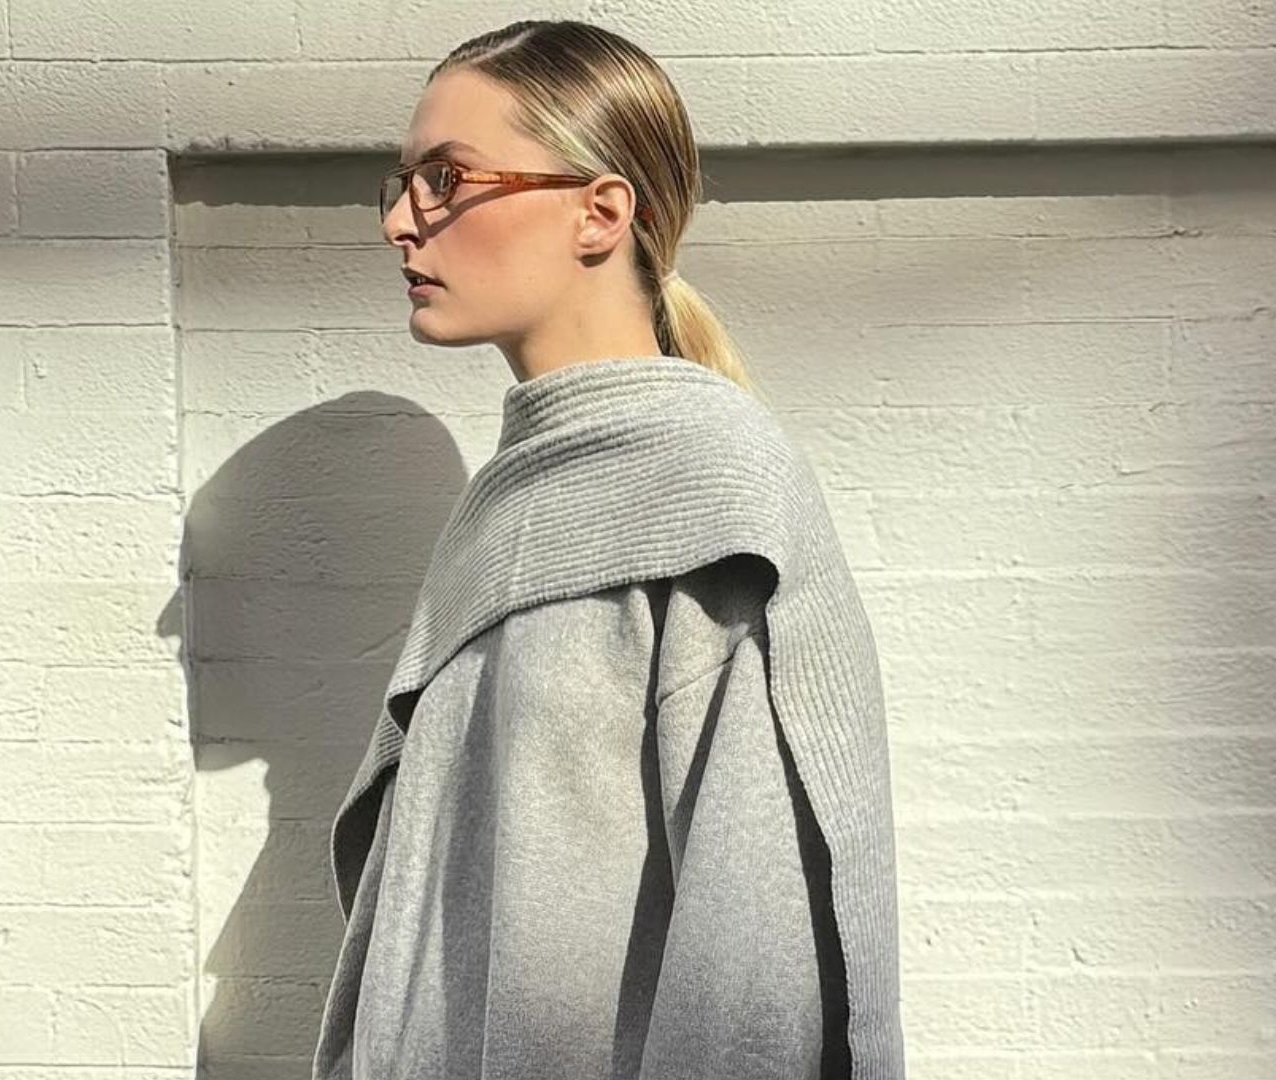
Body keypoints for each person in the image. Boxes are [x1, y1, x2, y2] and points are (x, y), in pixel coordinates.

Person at [313, 19, 904, 1080]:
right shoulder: (513, 501)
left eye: (446, 179)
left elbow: (756, 967)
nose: (403, 222)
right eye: (399, 182)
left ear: (599, 211)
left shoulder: (712, 489)